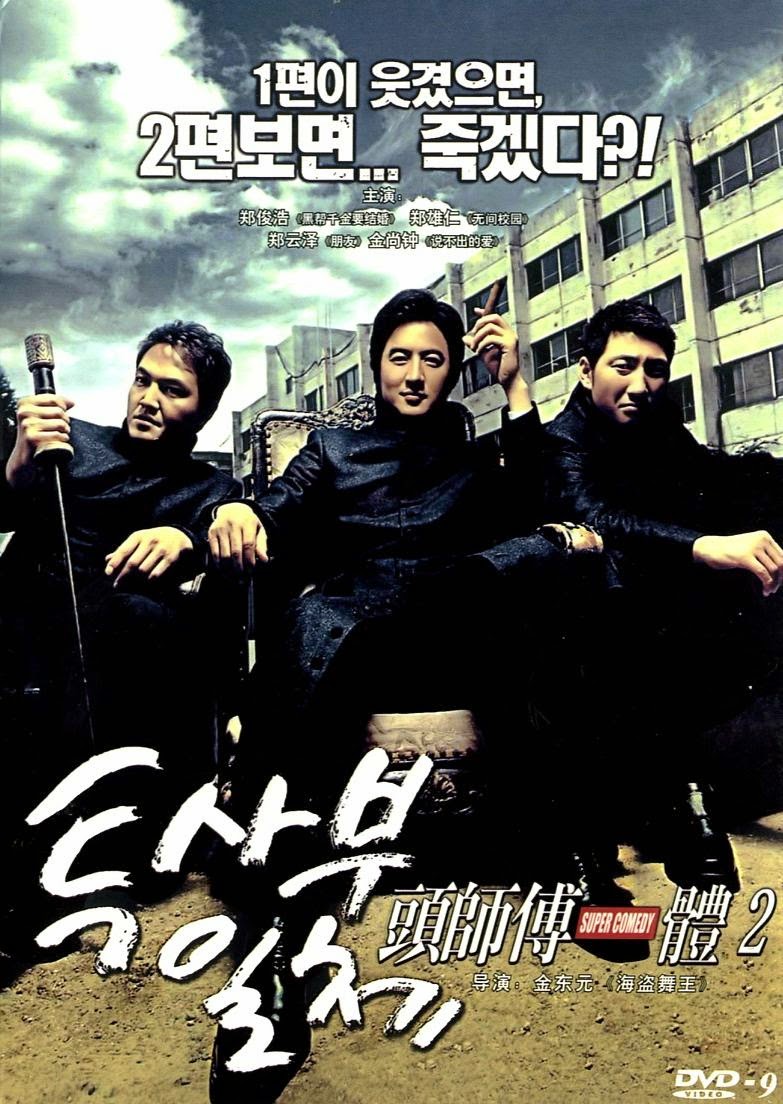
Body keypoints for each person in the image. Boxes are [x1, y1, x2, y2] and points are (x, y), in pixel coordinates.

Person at [204, 289, 632, 1104]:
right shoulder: (331, 449)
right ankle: (270, 985)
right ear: (377, 367)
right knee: (297, 756)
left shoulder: (473, 459)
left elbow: (544, 503)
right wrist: (236, 511)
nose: (413, 373)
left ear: (450, 371)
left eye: (431, 359)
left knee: (536, 561)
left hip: (454, 635)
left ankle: (579, 874)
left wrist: (512, 386)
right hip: (353, 638)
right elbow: (275, 512)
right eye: (398, 356)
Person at [0, 320, 241, 975]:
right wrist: (19, 463)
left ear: (205, 410)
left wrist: (188, 542)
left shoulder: (210, 490)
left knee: (145, 623)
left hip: (124, 660)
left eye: (173, 390)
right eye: (142, 380)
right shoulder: (69, 441)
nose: (148, 399)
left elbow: (223, 565)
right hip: (29, 632)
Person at [545, 298, 783, 891]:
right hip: (591, 628)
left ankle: (679, 793)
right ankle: (675, 799)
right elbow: (596, 515)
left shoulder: (656, 422)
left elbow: (710, 474)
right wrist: (704, 545)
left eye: (654, 370)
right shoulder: (560, 440)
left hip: (674, 616)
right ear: (586, 369)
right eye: (623, 366)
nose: (640, 384)